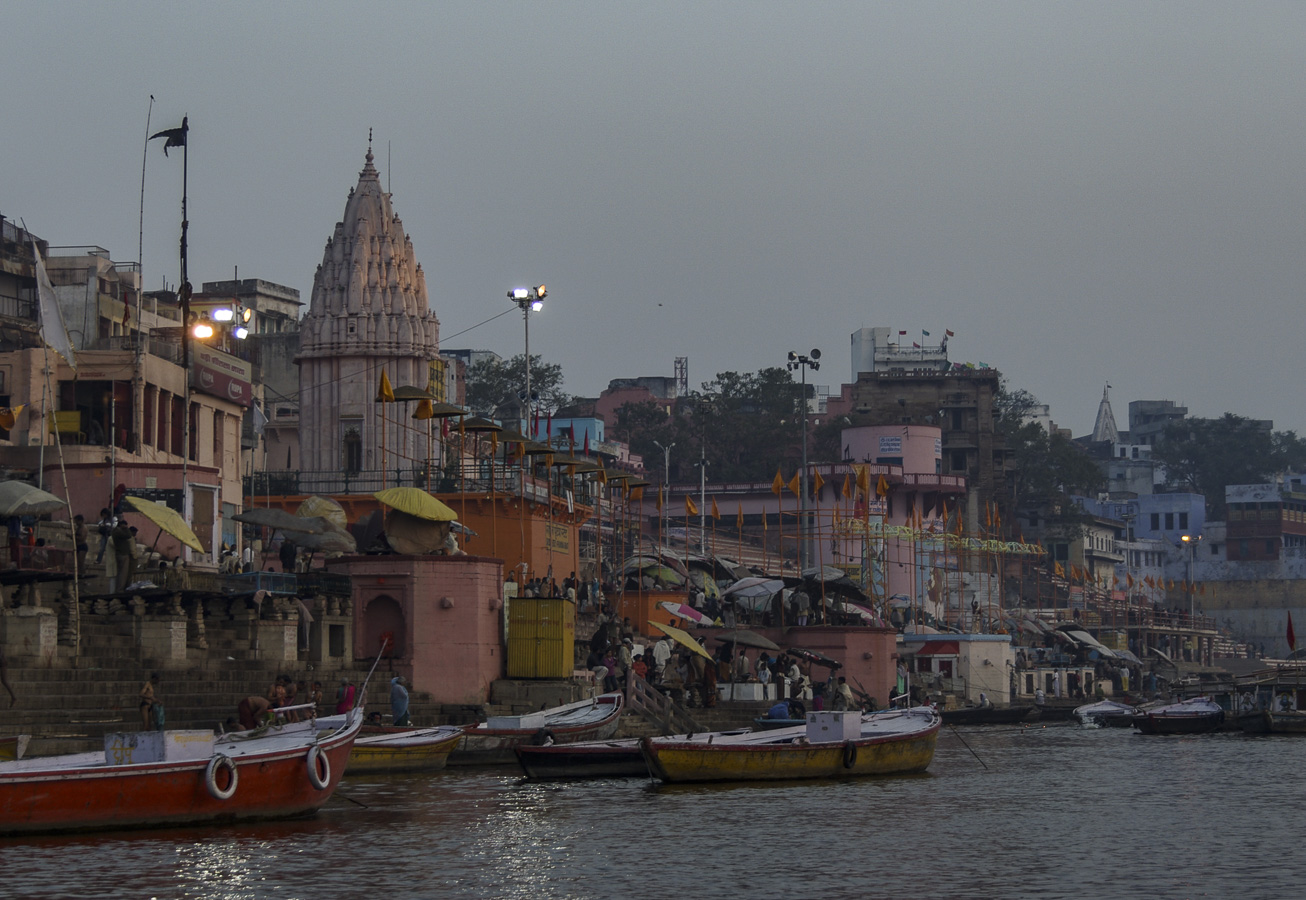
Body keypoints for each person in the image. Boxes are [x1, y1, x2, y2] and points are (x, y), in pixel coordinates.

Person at [110, 518, 135, 592]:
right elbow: (129, 535)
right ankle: (120, 589)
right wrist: (126, 529)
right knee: (123, 574)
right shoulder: (118, 531)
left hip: (121, 554)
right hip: (122, 554)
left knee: (121, 573)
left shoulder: (116, 531)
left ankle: (119, 588)